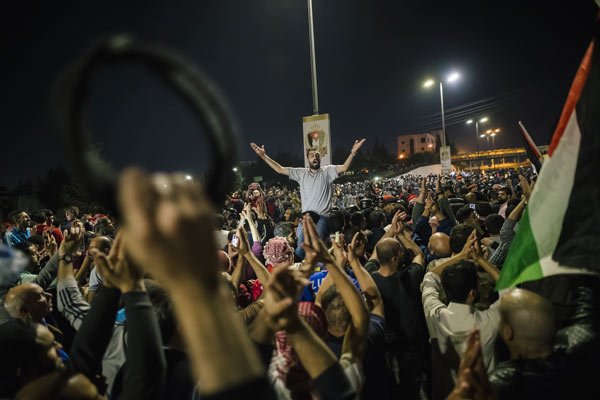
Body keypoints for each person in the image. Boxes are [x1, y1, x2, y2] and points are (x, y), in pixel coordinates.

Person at [250, 139, 366, 258]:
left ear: (320, 158)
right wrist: (264, 157)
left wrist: (352, 153)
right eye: (311, 155)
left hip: (322, 217)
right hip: (306, 217)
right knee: (300, 251)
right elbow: (279, 169)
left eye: (317, 155)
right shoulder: (301, 173)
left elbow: (344, 168)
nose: (314, 157)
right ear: (308, 159)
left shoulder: (328, 171)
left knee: (317, 250)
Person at [421, 231, 502, 400]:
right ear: (473, 293)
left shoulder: (435, 315)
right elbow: (510, 290)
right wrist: (481, 260)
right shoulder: (489, 321)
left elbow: (429, 277)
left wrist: (461, 255)